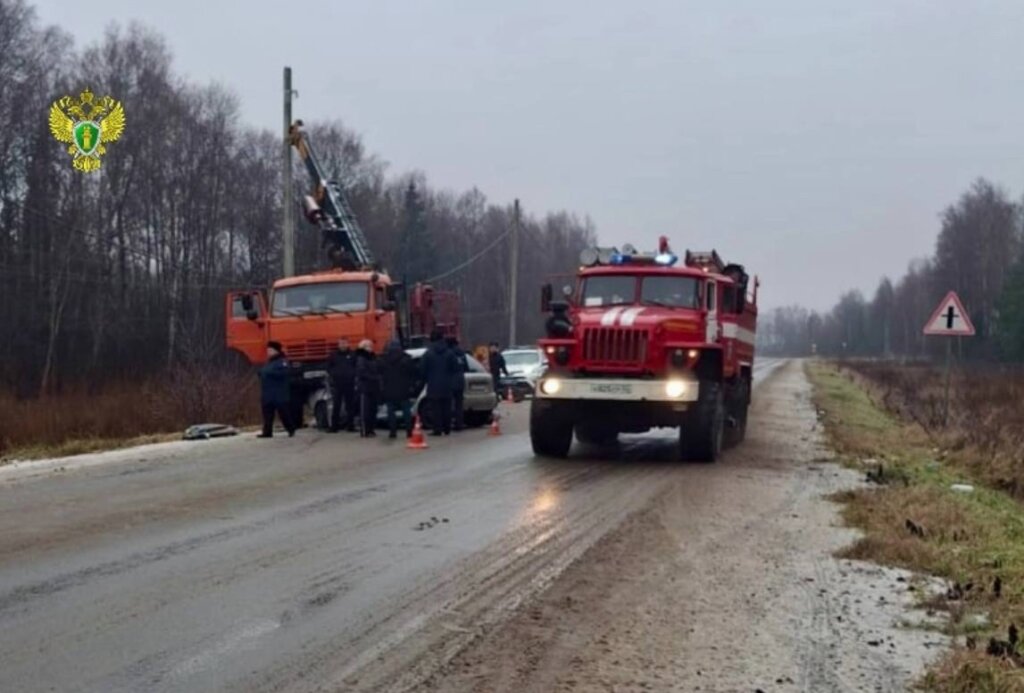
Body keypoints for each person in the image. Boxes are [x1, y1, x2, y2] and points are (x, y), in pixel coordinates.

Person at [421, 329, 458, 436]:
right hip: (447, 385)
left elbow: (422, 370)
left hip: (433, 385)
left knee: (436, 409)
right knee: (447, 407)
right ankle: (447, 429)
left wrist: (425, 380)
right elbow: (455, 368)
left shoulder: (428, 354)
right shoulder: (449, 353)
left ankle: (437, 429)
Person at [258, 341, 295, 438]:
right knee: (267, 414)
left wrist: (269, 373)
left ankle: (291, 429)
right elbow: (262, 372)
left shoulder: (282, 361)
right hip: (268, 393)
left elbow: (284, 374)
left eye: (270, 350)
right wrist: (261, 373)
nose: (268, 352)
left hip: (279, 393)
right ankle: (267, 431)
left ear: (276, 351)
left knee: (283, 413)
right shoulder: (269, 362)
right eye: (268, 350)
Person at [380, 340, 417, 439]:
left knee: (391, 412)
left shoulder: (385, 359)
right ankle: (409, 431)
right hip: (404, 390)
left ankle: (392, 432)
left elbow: (381, 374)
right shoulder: (406, 359)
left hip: (389, 390)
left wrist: (383, 388)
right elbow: (412, 374)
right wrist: (411, 386)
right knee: (406, 412)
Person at [327, 338, 357, 432]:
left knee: (350, 406)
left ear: (348, 344)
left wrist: (353, 374)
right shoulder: (333, 355)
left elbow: (357, 366)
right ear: (338, 345)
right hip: (337, 383)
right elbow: (328, 367)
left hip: (350, 383)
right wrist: (334, 374)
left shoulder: (352, 354)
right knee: (336, 405)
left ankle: (350, 426)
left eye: (344, 343)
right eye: (341, 343)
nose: (343, 345)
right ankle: (334, 427)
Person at [354, 339, 381, 438]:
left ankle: (371, 429)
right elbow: (361, 372)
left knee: (373, 410)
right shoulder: (361, 358)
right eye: (368, 346)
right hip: (364, 388)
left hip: (373, 387)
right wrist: (374, 377)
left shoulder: (373, 357)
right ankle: (365, 430)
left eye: (371, 346)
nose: (370, 348)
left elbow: (377, 368)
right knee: (365, 410)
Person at [447, 336, 469, 431]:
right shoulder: (462, 353)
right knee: (459, 404)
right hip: (461, 380)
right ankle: (459, 424)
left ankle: (452, 422)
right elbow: (466, 368)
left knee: (451, 403)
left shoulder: (449, 353)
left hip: (451, 380)